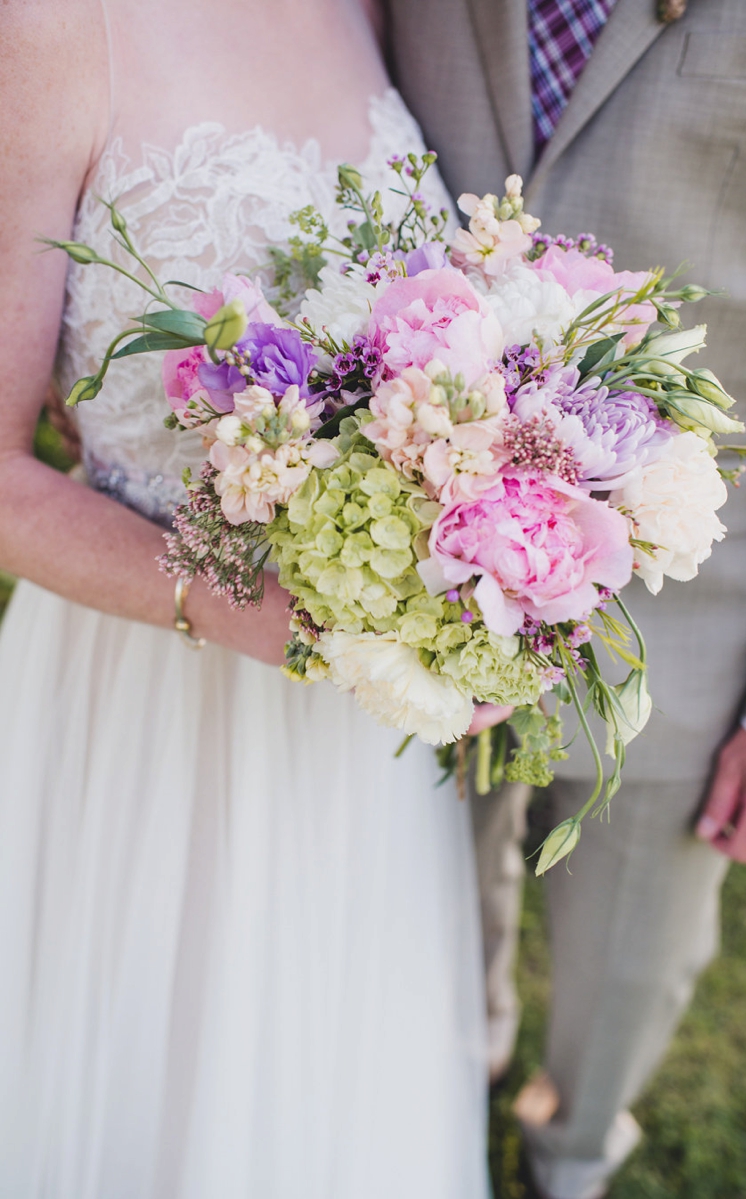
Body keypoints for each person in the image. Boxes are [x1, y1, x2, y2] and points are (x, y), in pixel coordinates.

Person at [0, 3, 491, 1196]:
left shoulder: (374, 7)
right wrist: (238, 610)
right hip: (151, 699)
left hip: (353, 731)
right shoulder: (51, 30)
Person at [386, 0, 746, 1196]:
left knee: (630, 952)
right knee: (423, 885)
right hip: (416, 563)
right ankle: (450, 1063)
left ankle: (570, 1151)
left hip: (692, 604)